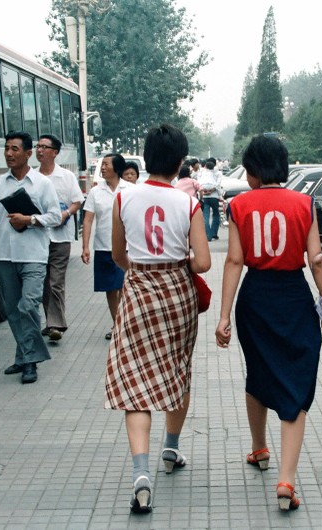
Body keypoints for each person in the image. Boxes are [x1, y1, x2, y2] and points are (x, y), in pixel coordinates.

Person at [214, 135, 322, 512]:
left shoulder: (239, 205)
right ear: (282, 168)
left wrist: (223, 316)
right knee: (295, 382)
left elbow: (234, 261)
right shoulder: (303, 203)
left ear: (252, 171)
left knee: (259, 371)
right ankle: (286, 480)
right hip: (293, 297)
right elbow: (317, 260)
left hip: (254, 299)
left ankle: (259, 449)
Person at [106, 123, 210, 514]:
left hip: (137, 292)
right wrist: (177, 261)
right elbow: (202, 261)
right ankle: (172, 448)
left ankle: (141, 474)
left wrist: (140, 268)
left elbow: (118, 255)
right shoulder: (188, 203)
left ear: (145, 159)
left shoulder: (123, 197)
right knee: (176, 370)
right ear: (181, 163)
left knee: (136, 379)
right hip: (177, 295)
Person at [0, 131, 61, 384]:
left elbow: (55, 216)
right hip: (5, 255)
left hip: (34, 256)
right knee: (12, 311)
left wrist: (29, 219)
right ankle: (23, 355)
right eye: (6, 148)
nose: (9, 153)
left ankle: (30, 362)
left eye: (15, 149)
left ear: (28, 154)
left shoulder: (42, 184)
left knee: (28, 306)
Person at [35, 134, 83, 342]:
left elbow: (77, 201)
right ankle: (51, 321)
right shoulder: (33, 177)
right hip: (37, 236)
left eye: (44, 147)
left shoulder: (66, 176)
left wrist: (66, 214)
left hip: (61, 236)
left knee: (55, 280)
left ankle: (56, 324)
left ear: (54, 152)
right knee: (44, 282)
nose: (39, 150)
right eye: (37, 146)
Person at [81, 154, 133, 340]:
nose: (102, 168)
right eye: (102, 164)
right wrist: (85, 246)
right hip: (103, 247)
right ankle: (117, 324)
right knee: (111, 288)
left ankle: (125, 323)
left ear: (117, 168)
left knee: (124, 287)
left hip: (128, 248)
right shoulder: (96, 192)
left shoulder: (130, 190)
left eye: (105, 164)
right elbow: (88, 220)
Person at [198, 157, 223, 241]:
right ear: (214, 164)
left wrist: (205, 191)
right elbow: (218, 184)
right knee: (216, 214)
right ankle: (214, 234)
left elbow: (199, 183)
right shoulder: (218, 173)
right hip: (214, 197)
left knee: (205, 216)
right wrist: (212, 190)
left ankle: (207, 236)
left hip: (205, 197)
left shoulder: (202, 172)